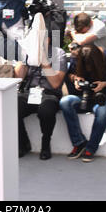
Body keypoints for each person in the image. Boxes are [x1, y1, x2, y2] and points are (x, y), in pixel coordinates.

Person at [59, 44, 106, 162]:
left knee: (103, 110)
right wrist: (75, 80)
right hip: (84, 96)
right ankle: (79, 143)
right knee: (65, 101)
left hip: (105, 97)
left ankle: (91, 147)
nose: (88, 67)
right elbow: (68, 75)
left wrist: (105, 84)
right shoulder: (77, 57)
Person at [15, 20, 67, 160]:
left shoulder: (58, 53)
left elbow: (56, 83)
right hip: (29, 92)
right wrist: (24, 57)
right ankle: (23, 143)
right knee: (12, 108)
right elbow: (18, 78)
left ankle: (46, 143)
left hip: (49, 93)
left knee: (46, 111)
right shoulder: (27, 51)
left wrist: (43, 58)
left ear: (48, 39)